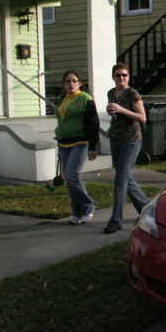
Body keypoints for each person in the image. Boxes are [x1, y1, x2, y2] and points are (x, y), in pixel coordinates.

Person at [104, 63, 148, 235]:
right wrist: (112, 112)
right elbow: (115, 113)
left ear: (128, 76)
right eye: (117, 75)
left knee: (120, 181)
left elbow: (142, 117)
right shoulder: (111, 93)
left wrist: (122, 110)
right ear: (113, 77)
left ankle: (115, 221)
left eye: (124, 75)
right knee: (126, 178)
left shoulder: (132, 94)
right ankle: (147, 210)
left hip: (131, 140)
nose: (121, 78)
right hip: (116, 139)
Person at [55, 71, 100, 225]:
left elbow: (93, 124)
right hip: (64, 143)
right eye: (68, 81)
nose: (71, 84)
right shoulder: (63, 99)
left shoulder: (85, 99)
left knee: (72, 175)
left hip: (80, 143)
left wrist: (93, 146)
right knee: (68, 178)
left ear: (80, 83)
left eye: (74, 81)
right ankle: (77, 213)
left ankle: (88, 205)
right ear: (64, 84)